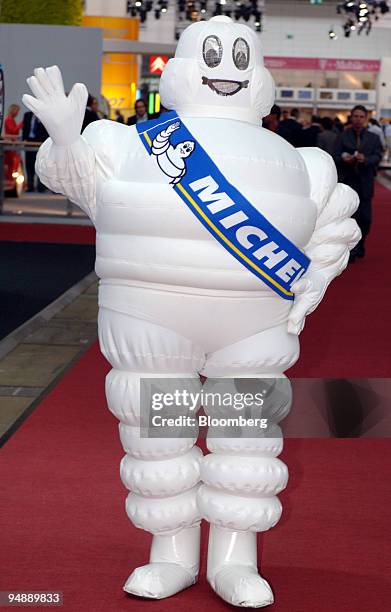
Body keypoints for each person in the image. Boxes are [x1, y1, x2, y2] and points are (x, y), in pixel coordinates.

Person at [24, 18, 359, 608]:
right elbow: (78, 182)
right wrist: (68, 139)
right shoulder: (131, 143)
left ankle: (236, 559)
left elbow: (331, 232)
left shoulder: (304, 162)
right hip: (153, 323)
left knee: (246, 443)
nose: (224, 67)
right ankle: (170, 555)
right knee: (160, 441)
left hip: (252, 327)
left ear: (258, 73)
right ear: (178, 68)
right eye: (212, 55)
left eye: (239, 56)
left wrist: (307, 291)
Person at [334, 105, 383, 261]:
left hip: (365, 183)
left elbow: (378, 156)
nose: (358, 119)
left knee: (366, 219)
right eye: (355, 116)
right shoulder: (342, 136)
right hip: (348, 183)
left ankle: (361, 243)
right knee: (350, 218)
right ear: (351, 117)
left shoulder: (373, 138)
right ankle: (352, 248)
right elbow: (333, 156)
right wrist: (344, 158)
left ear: (366, 118)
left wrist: (366, 159)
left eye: (361, 116)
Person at [22, 111, 48, 192]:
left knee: (40, 165)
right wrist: (24, 139)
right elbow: (25, 128)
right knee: (29, 165)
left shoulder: (44, 115)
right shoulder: (27, 115)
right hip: (29, 142)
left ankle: (41, 187)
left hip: (40, 142)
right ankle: (30, 186)